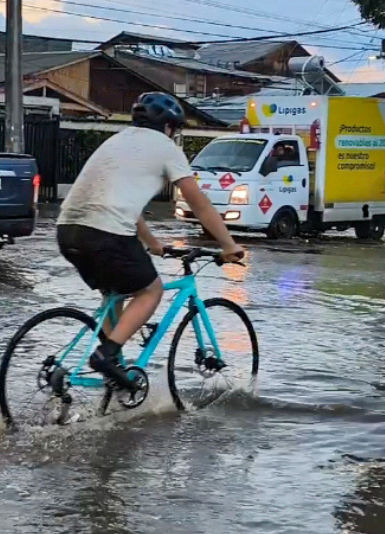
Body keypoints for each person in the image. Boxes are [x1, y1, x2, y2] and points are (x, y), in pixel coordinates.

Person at [56, 92, 246, 391]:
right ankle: (106, 356)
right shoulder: (165, 147)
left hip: (67, 231)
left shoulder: (116, 142)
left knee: (114, 294)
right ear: (168, 127)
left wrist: (154, 244)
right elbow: (199, 204)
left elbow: (123, 207)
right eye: (176, 129)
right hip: (106, 233)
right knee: (151, 291)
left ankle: (113, 368)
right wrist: (229, 245)